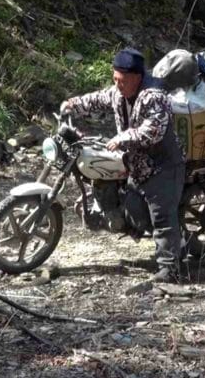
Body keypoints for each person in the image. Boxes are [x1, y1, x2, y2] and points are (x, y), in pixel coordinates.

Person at [60, 48, 186, 282]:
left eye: (122, 80)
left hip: (162, 165)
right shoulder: (119, 92)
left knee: (162, 218)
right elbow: (99, 99)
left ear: (137, 77)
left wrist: (123, 137)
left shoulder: (154, 96)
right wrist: (73, 104)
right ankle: (176, 245)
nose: (118, 85)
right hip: (137, 165)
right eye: (115, 79)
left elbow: (153, 130)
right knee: (133, 210)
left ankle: (170, 270)